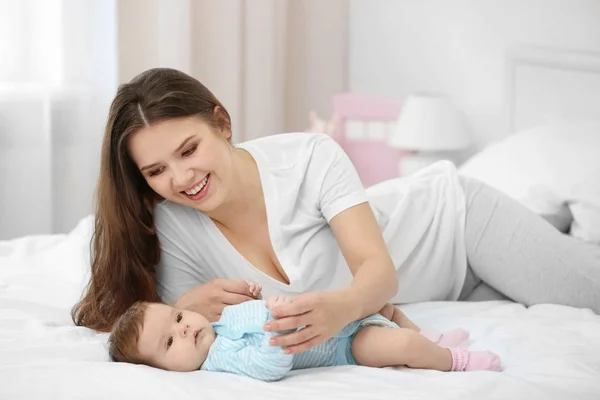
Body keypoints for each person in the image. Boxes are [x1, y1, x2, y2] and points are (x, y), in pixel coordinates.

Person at [72, 67, 600, 356]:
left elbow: (378, 273)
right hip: (442, 287)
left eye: (189, 150)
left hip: (457, 228)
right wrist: (189, 300)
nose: (181, 179)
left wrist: (339, 309)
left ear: (222, 123)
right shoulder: (174, 227)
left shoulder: (308, 157)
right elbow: (181, 332)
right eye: (156, 171)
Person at [107, 282, 501, 381]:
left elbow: (255, 311)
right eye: (170, 342)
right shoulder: (219, 360)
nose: (186, 329)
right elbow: (268, 365)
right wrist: (278, 329)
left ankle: (430, 339)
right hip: (343, 346)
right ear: (162, 369)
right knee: (395, 343)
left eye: (177, 318)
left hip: (331, 319)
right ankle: (454, 361)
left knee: (382, 305)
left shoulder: (217, 323)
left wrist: (260, 300)